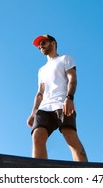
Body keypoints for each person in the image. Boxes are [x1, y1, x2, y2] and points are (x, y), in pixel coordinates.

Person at [27, 34, 88, 162]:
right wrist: (33, 113)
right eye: (39, 46)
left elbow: (72, 78)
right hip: (45, 107)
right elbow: (40, 93)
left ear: (53, 43)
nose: (40, 46)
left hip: (62, 103)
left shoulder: (65, 58)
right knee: (37, 136)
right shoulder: (41, 70)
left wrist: (69, 98)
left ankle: (84, 172)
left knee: (70, 138)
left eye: (43, 42)